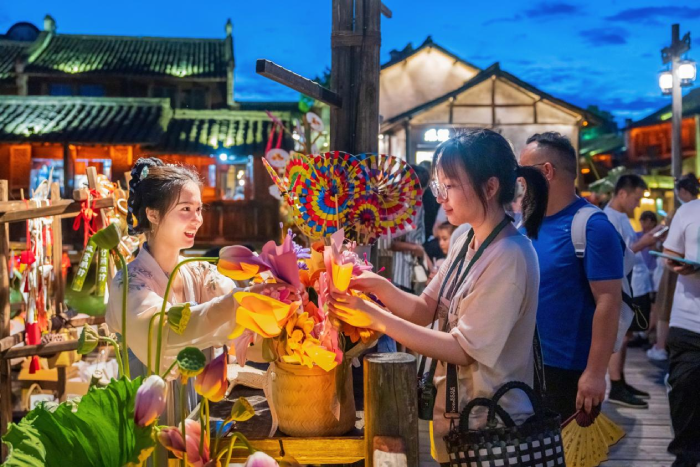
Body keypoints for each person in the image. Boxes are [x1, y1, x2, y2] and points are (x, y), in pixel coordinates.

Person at [328, 128, 549, 464]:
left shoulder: (510, 255)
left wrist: (377, 318)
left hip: (493, 424)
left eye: (449, 186)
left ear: (490, 188)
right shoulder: (464, 238)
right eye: (438, 186)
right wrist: (374, 284)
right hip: (457, 416)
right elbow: (424, 308)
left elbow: (462, 349)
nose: (440, 197)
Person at [106, 158, 288, 423]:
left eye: (200, 209)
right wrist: (236, 302)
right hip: (144, 416)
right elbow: (162, 334)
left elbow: (242, 330)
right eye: (186, 209)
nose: (198, 219)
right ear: (153, 213)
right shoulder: (128, 283)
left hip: (196, 414)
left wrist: (278, 312)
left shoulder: (199, 272)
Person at [519, 132, 624, 420]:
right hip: (523, 365)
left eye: (523, 174)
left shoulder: (592, 226)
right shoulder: (525, 225)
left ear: (546, 172)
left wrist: (594, 373)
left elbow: (608, 302)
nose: (520, 182)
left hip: (567, 372)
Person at [604, 174, 663, 408]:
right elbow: (618, 254)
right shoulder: (609, 218)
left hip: (631, 283)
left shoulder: (621, 217)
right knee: (620, 335)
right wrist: (645, 242)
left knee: (627, 335)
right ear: (622, 194)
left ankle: (621, 381)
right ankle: (616, 384)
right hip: (621, 284)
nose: (638, 205)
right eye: (636, 199)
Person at [662, 183, 700, 467]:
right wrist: (679, 264)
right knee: (684, 388)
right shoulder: (688, 212)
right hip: (688, 319)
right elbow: (669, 255)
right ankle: (685, 457)